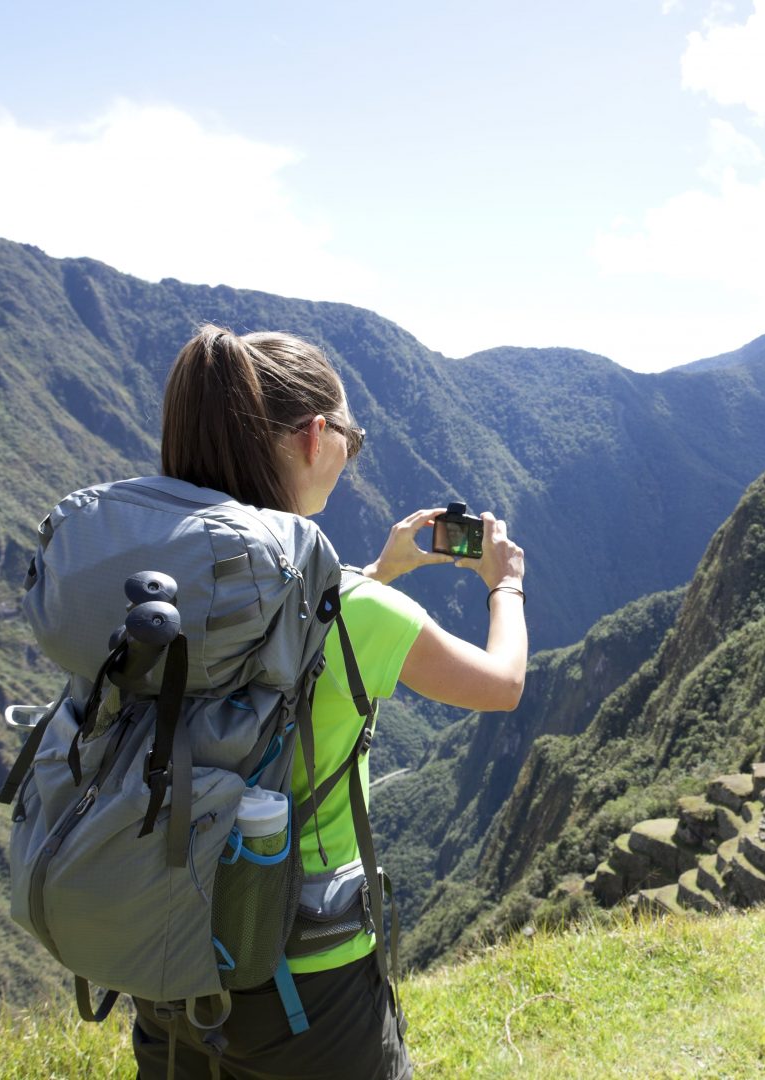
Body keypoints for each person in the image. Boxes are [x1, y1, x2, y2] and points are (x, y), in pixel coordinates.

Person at [132, 325, 527, 1079]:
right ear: (317, 437)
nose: (351, 449)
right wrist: (503, 582)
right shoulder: (352, 610)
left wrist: (385, 566)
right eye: (354, 435)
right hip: (305, 979)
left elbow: (286, 643)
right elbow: (501, 684)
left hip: (164, 955)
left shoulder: (150, 584)